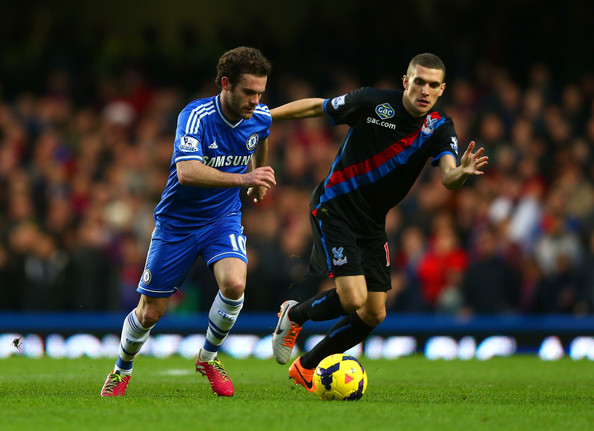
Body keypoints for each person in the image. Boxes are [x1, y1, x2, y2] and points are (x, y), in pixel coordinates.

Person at [270, 53, 488, 392]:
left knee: (374, 312)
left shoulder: (439, 127)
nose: (425, 90)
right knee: (352, 298)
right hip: (335, 207)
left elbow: (449, 177)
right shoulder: (372, 102)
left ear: (442, 89)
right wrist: (266, 116)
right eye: (419, 82)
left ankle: (307, 366)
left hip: (371, 222)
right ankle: (295, 314)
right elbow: (318, 107)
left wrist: (460, 173)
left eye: (433, 85)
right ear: (406, 81)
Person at [101, 46, 276, 397]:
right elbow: (187, 172)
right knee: (150, 313)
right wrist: (245, 178)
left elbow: (261, 139)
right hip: (177, 224)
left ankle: (208, 357)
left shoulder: (260, 116)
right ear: (225, 84)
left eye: (260, 92)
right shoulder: (196, 116)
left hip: (222, 218)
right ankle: (122, 368)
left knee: (235, 284)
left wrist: (257, 178)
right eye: (249, 92)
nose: (256, 100)